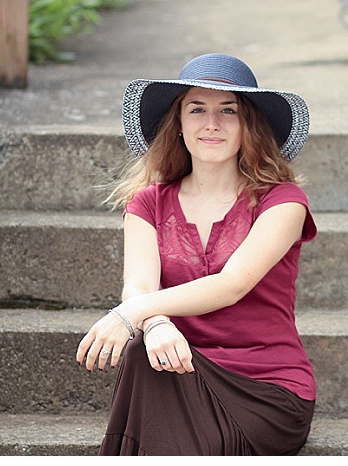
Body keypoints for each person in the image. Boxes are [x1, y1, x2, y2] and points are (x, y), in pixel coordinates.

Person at [76, 53, 317, 455]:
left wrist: (131, 315)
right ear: (180, 123)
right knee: (143, 353)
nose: (212, 123)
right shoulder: (148, 203)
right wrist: (155, 325)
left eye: (228, 110)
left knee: (144, 357)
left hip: (267, 390)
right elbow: (138, 285)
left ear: (248, 125)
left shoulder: (282, 201)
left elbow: (231, 285)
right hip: (181, 369)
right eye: (197, 109)